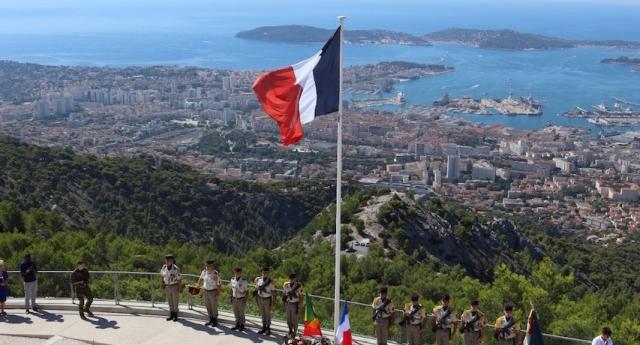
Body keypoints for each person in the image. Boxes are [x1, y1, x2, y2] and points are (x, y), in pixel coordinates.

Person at [254, 266, 276, 335]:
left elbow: (274, 292)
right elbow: (257, 290)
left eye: (266, 272)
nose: (264, 273)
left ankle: (268, 328)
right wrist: (256, 300)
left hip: (267, 299)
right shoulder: (259, 280)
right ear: (261, 272)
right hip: (260, 298)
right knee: (263, 314)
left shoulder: (270, 281)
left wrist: (267, 292)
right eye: (263, 272)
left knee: (268, 315)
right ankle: (263, 327)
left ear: (268, 273)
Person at [160, 254, 182, 322]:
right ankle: (171, 314)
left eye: (169, 260)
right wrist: (161, 284)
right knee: (169, 301)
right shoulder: (164, 267)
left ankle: (175, 315)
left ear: (172, 261)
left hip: (174, 286)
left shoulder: (175, 268)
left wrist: (179, 288)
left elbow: (179, 279)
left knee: (175, 302)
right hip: (167, 286)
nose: (167, 261)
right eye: (166, 260)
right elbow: (162, 276)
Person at [282, 272, 304, 337]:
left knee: (295, 319)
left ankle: (295, 332)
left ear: (295, 279)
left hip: (295, 304)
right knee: (288, 319)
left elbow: (301, 297)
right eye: (290, 278)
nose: (291, 280)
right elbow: (284, 294)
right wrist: (284, 304)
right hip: (288, 303)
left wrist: (300, 305)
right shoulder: (286, 285)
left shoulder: (298, 286)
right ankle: (290, 330)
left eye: (293, 278)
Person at [230, 267, 249, 331]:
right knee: (236, 312)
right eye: (235, 272)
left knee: (241, 313)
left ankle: (242, 325)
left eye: (238, 273)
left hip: (241, 299)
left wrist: (245, 300)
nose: (236, 274)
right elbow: (231, 289)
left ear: (240, 273)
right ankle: (237, 324)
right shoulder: (232, 279)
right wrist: (230, 297)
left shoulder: (244, 281)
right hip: (234, 298)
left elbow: (246, 291)